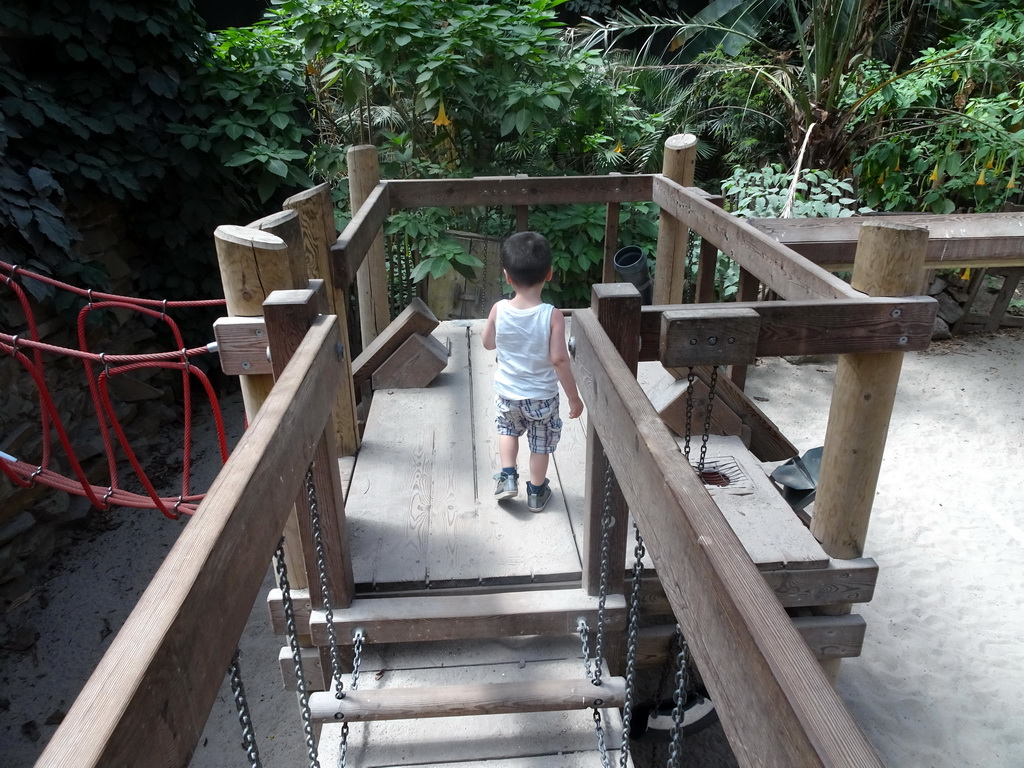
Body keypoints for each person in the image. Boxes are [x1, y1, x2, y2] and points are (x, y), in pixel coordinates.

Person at [481, 231, 584, 512]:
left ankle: (508, 477)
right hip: (542, 397)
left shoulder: (499, 309)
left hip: (507, 392)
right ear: (549, 273)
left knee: (507, 430)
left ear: (507, 276)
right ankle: (537, 493)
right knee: (540, 444)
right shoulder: (551, 315)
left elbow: (488, 343)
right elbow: (560, 360)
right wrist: (574, 398)